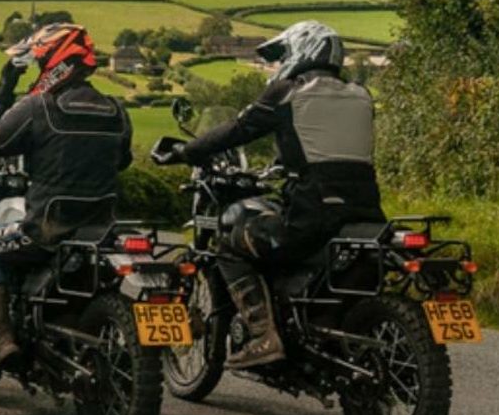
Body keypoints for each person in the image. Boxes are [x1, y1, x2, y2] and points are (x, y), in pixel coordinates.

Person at [156, 20, 385, 369]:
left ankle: (264, 334)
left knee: (230, 239)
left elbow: (237, 130)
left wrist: (186, 151)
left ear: (302, 50)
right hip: (366, 214)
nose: (279, 65)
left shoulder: (288, 92)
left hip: (313, 215)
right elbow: (323, 144)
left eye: (283, 56)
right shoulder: (361, 95)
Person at [0, 23, 133, 372]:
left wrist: (4, 87)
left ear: (52, 61)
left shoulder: (37, 107)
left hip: (47, 232)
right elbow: (123, 161)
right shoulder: (116, 110)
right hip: (101, 233)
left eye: (38, 62)